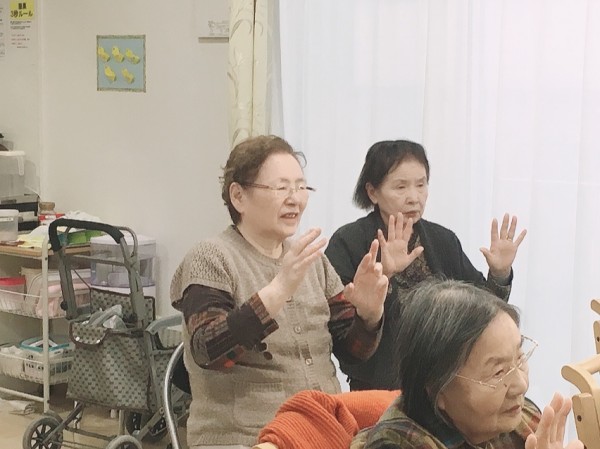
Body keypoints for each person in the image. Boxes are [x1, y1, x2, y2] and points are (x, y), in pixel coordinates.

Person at [170, 135, 389, 449]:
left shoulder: (314, 262)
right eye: (281, 188)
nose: (295, 199)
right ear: (238, 196)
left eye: (301, 187)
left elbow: (352, 353)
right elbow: (207, 351)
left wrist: (368, 317)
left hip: (323, 431)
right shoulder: (211, 257)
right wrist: (278, 290)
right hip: (246, 437)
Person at [325, 139, 527, 390]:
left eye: (421, 185)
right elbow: (343, 342)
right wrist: (385, 275)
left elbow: (482, 316)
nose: (414, 198)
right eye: (400, 187)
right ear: (372, 192)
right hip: (378, 390)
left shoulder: (442, 240)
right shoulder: (348, 242)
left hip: (445, 386)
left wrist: (499, 273)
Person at [350, 279, 583, 449]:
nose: (521, 385)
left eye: (520, 358)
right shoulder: (397, 443)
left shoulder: (518, 418)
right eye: (498, 372)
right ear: (437, 388)